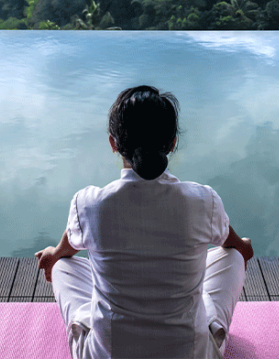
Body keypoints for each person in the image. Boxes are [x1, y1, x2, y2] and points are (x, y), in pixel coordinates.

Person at [36, 85, 253, 359]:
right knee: (230, 256)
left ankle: (92, 314)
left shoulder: (90, 203)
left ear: (113, 143)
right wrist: (242, 247)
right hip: (192, 355)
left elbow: (66, 247)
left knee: (64, 265)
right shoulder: (202, 201)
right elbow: (233, 244)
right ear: (173, 142)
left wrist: (54, 254)